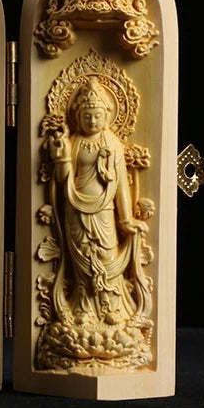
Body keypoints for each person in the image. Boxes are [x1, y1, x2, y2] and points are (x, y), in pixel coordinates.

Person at [46, 75, 148, 327]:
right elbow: (63, 179)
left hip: (104, 210)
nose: (92, 121)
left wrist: (125, 219)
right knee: (82, 261)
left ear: (107, 116)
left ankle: (110, 305)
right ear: (78, 117)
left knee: (105, 254)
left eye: (97, 116)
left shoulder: (112, 144)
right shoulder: (75, 142)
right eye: (87, 116)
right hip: (76, 208)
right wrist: (60, 156)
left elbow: (121, 185)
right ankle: (84, 307)